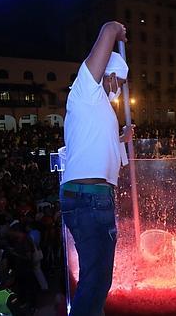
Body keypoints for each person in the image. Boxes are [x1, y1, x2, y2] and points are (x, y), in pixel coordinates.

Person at [59, 21, 131, 316]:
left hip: (91, 196)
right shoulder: (85, 91)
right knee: (96, 279)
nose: (117, 86)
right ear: (104, 73)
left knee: (96, 278)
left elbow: (102, 154)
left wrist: (122, 138)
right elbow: (107, 30)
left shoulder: (98, 109)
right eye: (115, 78)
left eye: (121, 83)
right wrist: (117, 30)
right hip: (90, 198)